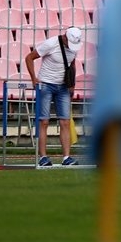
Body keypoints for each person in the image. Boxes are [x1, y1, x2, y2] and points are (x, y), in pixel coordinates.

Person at [25, 27, 83, 167]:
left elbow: (72, 64)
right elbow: (29, 57)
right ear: (65, 37)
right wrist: (34, 78)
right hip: (46, 84)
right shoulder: (50, 44)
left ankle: (66, 157)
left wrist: (72, 84)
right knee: (44, 121)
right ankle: (43, 157)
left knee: (65, 122)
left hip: (63, 86)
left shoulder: (74, 48)